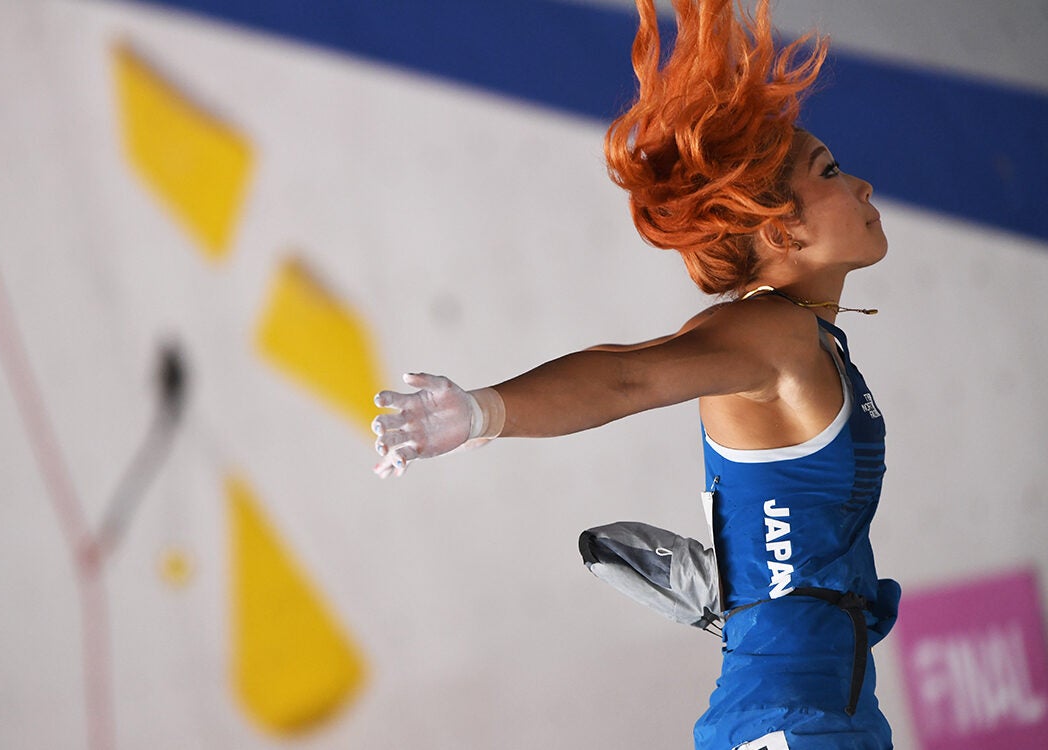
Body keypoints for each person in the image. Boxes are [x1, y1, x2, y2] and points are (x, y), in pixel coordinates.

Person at [371, 1, 900, 748]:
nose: (863, 187)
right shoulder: (770, 332)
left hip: (822, 714)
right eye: (832, 172)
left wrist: (745, 588)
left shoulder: (804, 339)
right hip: (789, 723)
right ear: (780, 225)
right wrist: (484, 411)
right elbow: (631, 376)